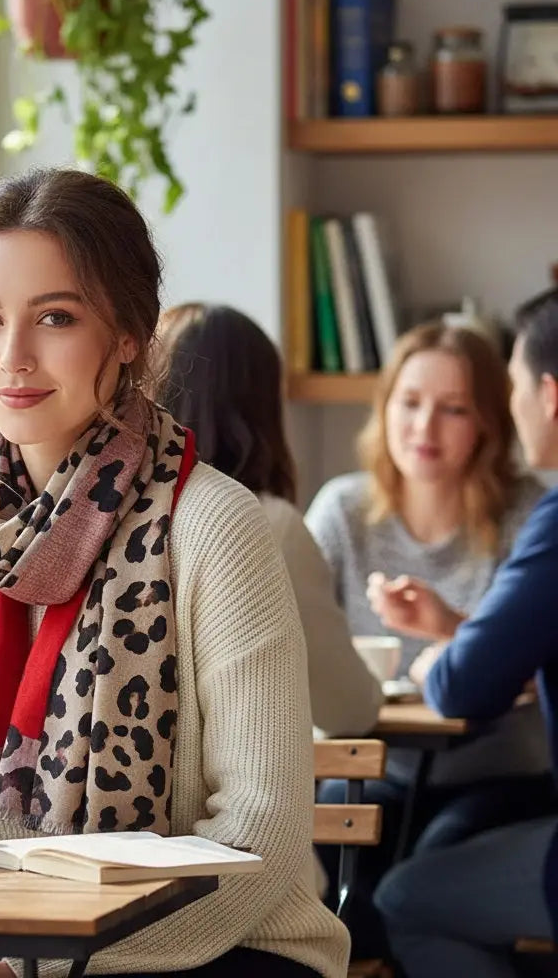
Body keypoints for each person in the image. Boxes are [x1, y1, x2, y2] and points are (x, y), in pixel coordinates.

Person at [0, 168, 349, 978]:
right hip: (12, 952)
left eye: (55, 317)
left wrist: (40, 966)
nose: (12, 358)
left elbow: (259, 831)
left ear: (127, 336)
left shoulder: (211, 525)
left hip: (221, 952)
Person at [305, 321, 551, 956]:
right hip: (373, 767)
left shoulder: (529, 513)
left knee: (425, 868)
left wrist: (450, 630)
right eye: (410, 403)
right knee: (329, 839)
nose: (425, 427)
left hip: (497, 773)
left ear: (490, 423)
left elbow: (524, 661)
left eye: (454, 409)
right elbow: (287, 638)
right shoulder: (343, 511)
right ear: (384, 409)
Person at [371, 285, 558, 978]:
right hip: (388, 774)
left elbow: (462, 686)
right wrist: (454, 629)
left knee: (409, 898)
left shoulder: (547, 516)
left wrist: (433, 661)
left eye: (505, 390)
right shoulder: (342, 508)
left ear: (549, 396)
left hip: (503, 781)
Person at [154, 303, 382, 738]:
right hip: (233, 791)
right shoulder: (267, 525)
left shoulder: (109, 515)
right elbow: (348, 710)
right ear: (262, 408)